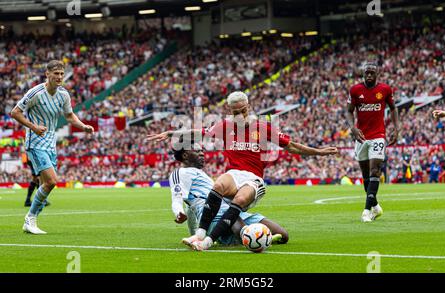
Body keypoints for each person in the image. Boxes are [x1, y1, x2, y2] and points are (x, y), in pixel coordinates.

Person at [147, 91, 338, 251]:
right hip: (234, 174)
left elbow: (293, 146)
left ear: (249, 106)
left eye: (243, 110)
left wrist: (319, 152)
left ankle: (209, 240)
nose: (240, 115)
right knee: (219, 184)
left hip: (254, 179)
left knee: (240, 201)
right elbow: (199, 132)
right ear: (230, 111)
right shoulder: (225, 126)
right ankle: (201, 235)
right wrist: (171, 133)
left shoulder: (263, 128)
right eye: (236, 112)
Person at [10, 60, 94, 234]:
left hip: (50, 144)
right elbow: (15, 112)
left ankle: (32, 220)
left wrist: (83, 126)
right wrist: (33, 127)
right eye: (56, 73)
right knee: (51, 181)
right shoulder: (36, 93)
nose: (60, 77)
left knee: (46, 185)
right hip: (35, 142)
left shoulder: (63, 94)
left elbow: (69, 116)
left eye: (62, 73)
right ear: (47, 74)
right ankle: (30, 219)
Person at [169, 141, 289, 246]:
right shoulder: (180, 173)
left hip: (233, 211)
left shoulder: (202, 175)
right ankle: (254, 240)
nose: (202, 153)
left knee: (283, 235)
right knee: (243, 231)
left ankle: (256, 238)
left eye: (202, 150)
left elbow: (190, 209)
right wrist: (178, 212)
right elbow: (177, 199)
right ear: (185, 155)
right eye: (197, 151)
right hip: (214, 216)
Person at [345, 62, 399, 222]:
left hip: (378, 135)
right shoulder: (355, 90)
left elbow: (394, 108)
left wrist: (397, 128)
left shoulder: (385, 89)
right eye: (367, 73)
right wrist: (352, 128)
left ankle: (367, 211)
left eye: (372, 73)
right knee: (366, 176)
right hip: (361, 136)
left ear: (377, 74)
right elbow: (349, 111)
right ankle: (375, 207)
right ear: (363, 74)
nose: (369, 75)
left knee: (375, 170)